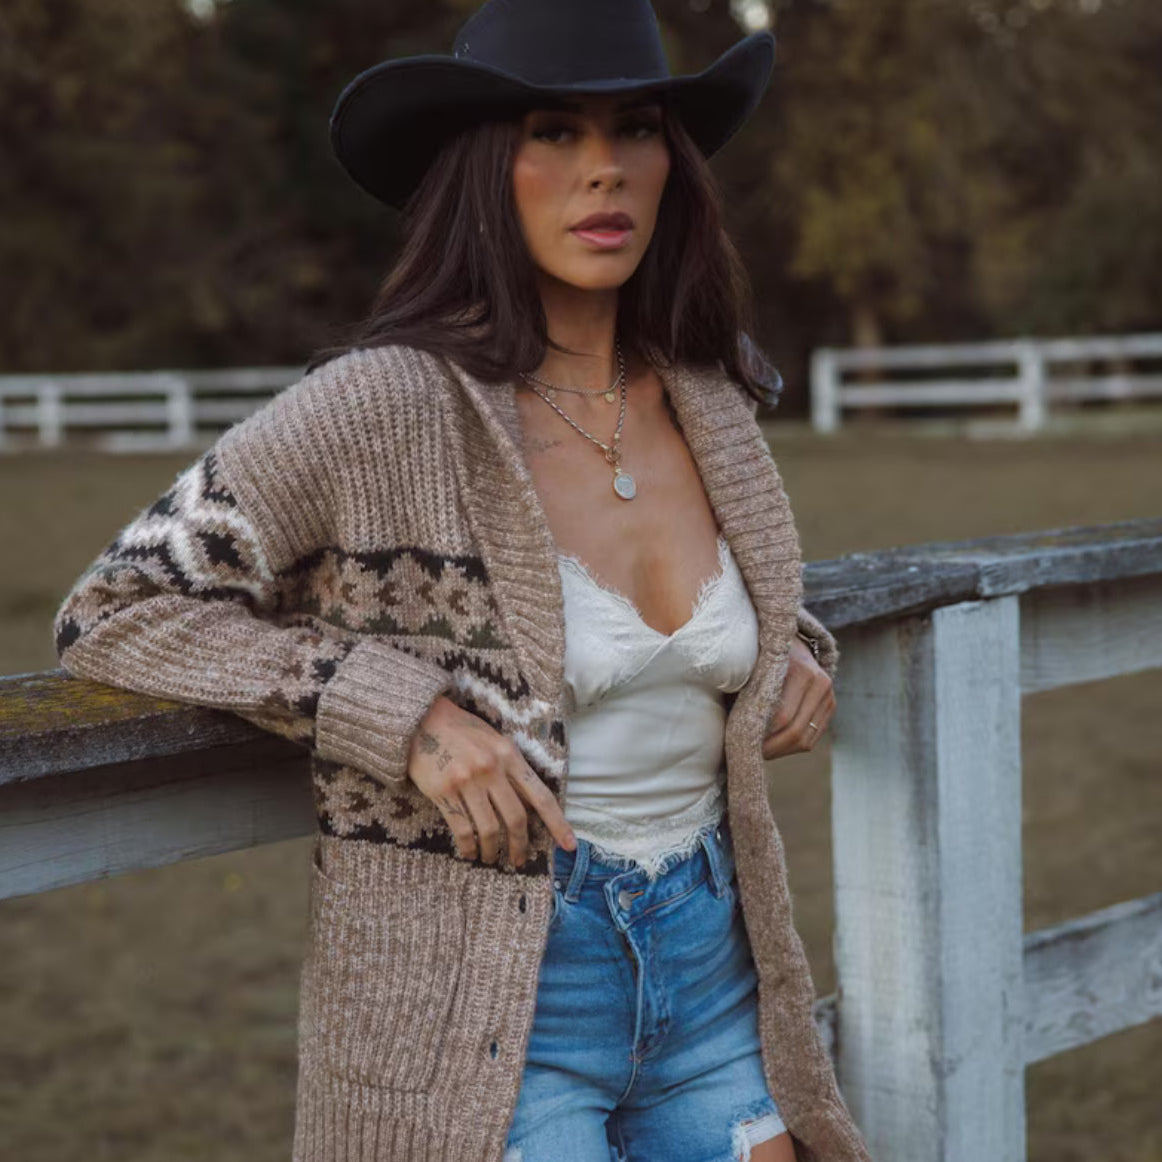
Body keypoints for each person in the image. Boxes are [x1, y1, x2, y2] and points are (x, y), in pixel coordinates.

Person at [52, 1, 871, 1159]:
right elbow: (112, 609)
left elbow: (717, 604)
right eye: (551, 131)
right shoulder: (384, 405)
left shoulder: (709, 393)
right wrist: (399, 714)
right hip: (490, 1004)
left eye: (635, 129)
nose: (604, 172)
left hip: (710, 970)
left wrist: (791, 649)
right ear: (484, 168)